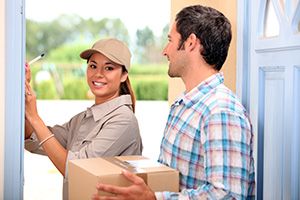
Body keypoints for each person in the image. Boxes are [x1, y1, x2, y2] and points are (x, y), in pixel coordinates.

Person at [92, 5, 255, 200]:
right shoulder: (185, 104)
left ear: (191, 43)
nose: (165, 51)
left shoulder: (221, 111)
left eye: (170, 40)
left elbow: (228, 195)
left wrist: (154, 199)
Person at [24, 38, 143, 200]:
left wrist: (35, 117)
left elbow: (74, 170)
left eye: (109, 68)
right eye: (93, 66)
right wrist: (24, 88)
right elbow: (35, 141)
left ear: (124, 75)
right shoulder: (83, 119)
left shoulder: (123, 120)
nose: (98, 74)